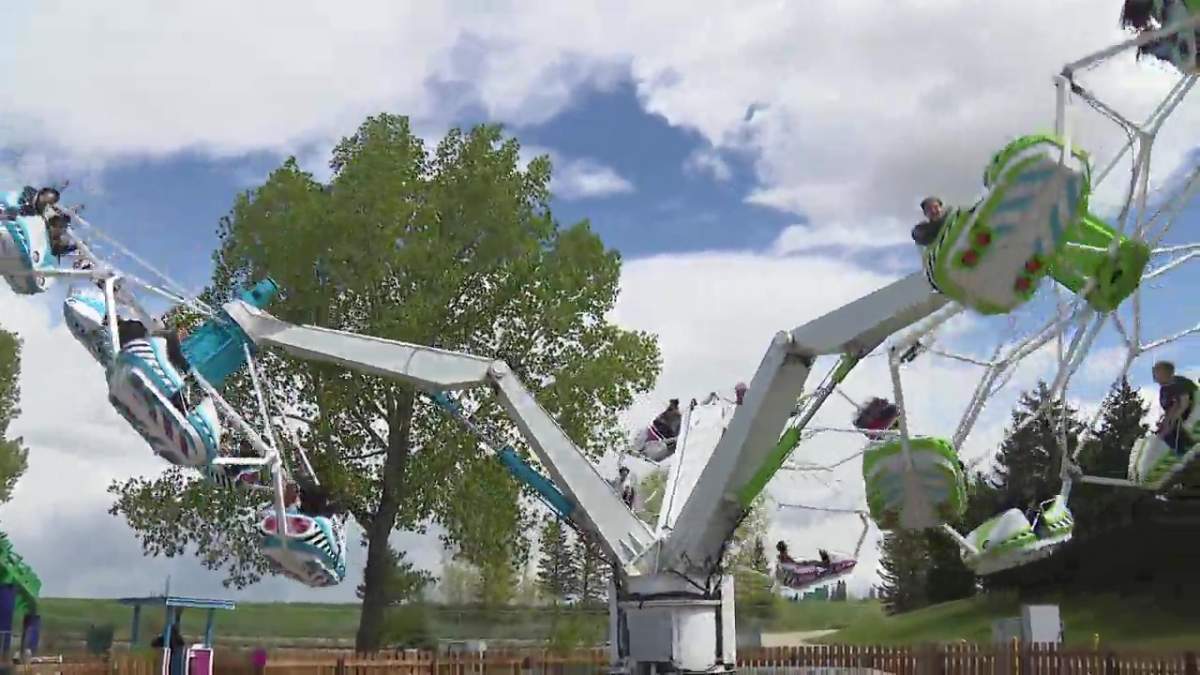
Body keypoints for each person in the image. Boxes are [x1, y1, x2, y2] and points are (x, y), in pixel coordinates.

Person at [1153, 360, 1197, 456]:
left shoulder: (1178, 383)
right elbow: (1169, 409)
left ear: (1165, 373)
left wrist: (1171, 421)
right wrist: (1164, 422)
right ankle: (1186, 451)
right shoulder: (1164, 389)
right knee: (1164, 432)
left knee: (1170, 430)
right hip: (1178, 410)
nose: (1155, 376)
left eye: (1157, 373)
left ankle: (1188, 450)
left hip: (1189, 407)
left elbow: (1183, 403)